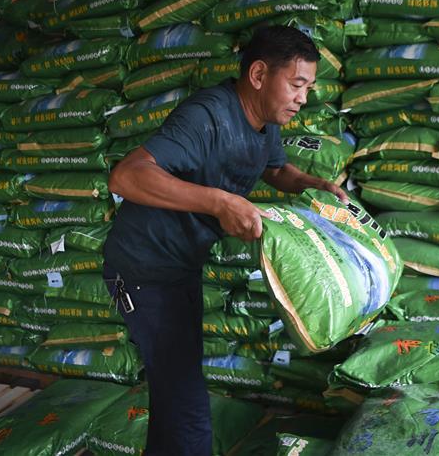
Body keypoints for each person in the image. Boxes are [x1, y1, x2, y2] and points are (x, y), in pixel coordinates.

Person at [103, 25, 348, 455]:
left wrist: (312, 184)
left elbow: (274, 169)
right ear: (258, 75)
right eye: (296, 85)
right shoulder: (206, 117)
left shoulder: (264, 122)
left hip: (180, 269)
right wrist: (218, 202)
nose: (303, 98)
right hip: (142, 268)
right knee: (189, 403)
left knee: (173, 393)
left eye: (308, 87)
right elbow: (127, 175)